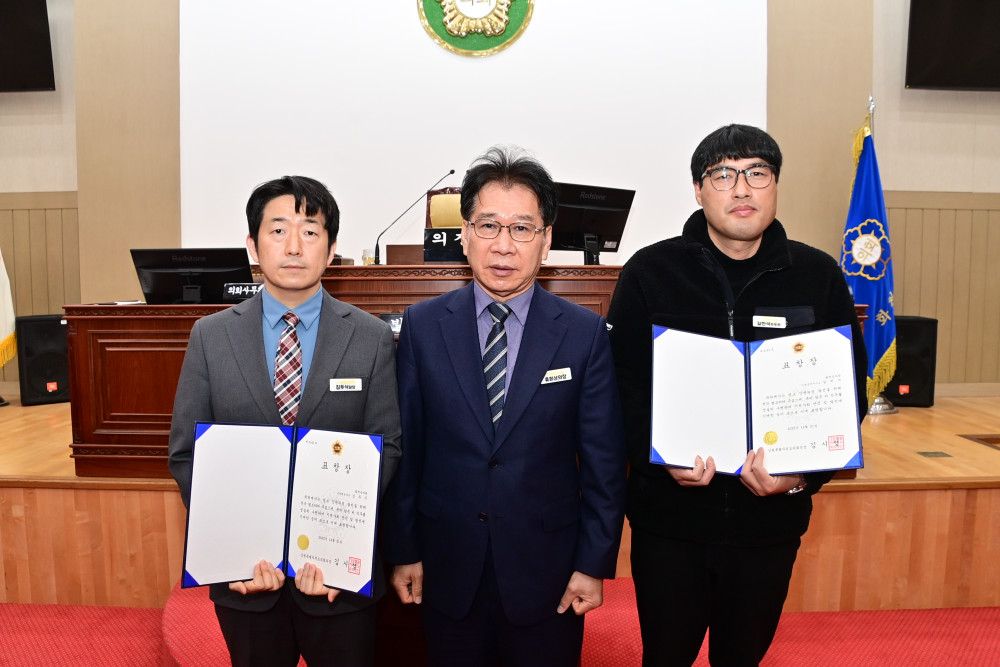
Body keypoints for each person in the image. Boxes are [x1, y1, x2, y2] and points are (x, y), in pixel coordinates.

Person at [607, 124, 868, 666]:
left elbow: (847, 392)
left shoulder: (817, 275)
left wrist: (802, 477)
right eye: (723, 175)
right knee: (665, 656)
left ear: (776, 185)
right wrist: (659, 460)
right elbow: (620, 384)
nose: (742, 188)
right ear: (699, 190)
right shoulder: (651, 272)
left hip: (768, 524)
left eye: (757, 173)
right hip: (670, 520)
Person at [383, 146, 627, 666]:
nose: (503, 244)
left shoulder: (582, 333)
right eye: (489, 225)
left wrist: (593, 563)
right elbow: (407, 450)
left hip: (548, 569)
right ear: (465, 234)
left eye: (521, 228)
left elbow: (604, 463)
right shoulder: (423, 326)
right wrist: (403, 550)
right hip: (446, 562)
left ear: (546, 240)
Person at [168, 175, 402, 667]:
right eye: (278, 230)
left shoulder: (371, 337)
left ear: (331, 249)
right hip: (246, 582)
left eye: (310, 232)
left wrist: (341, 553)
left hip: (338, 584)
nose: (294, 246)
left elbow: (387, 449)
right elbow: (187, 453)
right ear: (253, 246)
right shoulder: (211, 336)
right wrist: (232, 551)